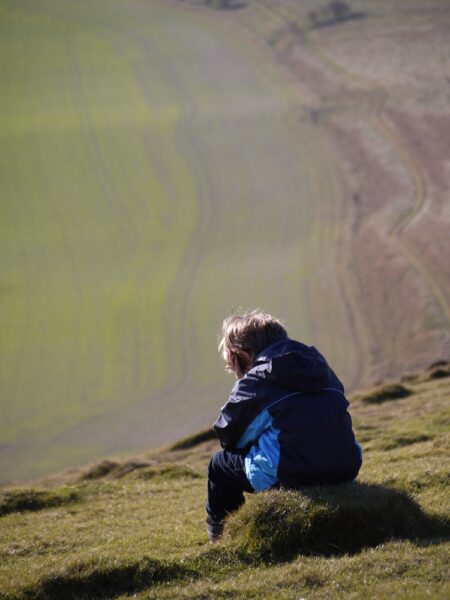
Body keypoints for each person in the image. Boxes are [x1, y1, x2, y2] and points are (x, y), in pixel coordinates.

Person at [206, 310, 363, 543]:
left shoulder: (255, 381)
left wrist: (242, 381)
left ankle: (223, 538)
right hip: (345, 467)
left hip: (289, 474)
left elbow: (228, 435)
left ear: (240, 355)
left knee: (220, 465)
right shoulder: (320, 367)